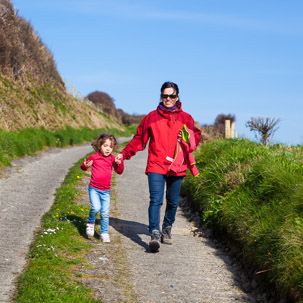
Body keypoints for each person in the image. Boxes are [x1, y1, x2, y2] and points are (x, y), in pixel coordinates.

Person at [116, 81, 201, 252]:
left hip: (177, 165)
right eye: (165, 95)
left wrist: (187, 138)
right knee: (156, 199)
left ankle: (167, 229)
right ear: (161, 96)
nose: (168, 98)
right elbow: (139, 140)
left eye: (171, 96)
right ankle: (154, 232)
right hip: (156, 164)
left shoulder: (187, 118)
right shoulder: (151, 118)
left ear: (177, 97)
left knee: (172, 201)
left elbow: (195, 137)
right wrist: (124, 154)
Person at [81, 133, 124, 242]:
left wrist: (119, 163)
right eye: (105, 146)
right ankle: (90, 222)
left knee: (105, 213)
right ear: (99, 146)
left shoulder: (112, 159)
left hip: (106, 191)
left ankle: (104, 233)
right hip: (94, 189)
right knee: (96, 208)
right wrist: (85, 166)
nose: (108, 149)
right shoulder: (94, 157)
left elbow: (119, 171)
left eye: (110, 146)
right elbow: (83, 167)